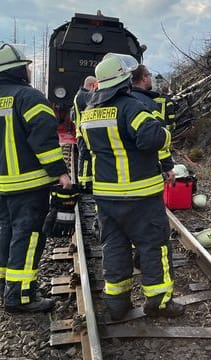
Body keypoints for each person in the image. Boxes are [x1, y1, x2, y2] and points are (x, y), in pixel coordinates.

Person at [80, 53, 184, 320]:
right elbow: (151, 138)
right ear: (124, 80)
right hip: (140, 195)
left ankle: (117, 303)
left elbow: (85, 151)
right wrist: (166, 134)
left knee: (114, 247)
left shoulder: (89, 113)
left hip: (106, 196)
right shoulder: (132, 107)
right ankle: (158, 303)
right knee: (153, 246)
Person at [0, 43, 72, 312]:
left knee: (7, 235)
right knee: (29, 237)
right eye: (28, 67)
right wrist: (60, 173)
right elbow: (44, 141)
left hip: (4, 183)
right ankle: (21, 297)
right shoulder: (29, 97)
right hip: (30, 184)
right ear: (20, 70)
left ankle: (6, 286)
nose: (30, 71)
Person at [130, 65, 174, 183]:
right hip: (145, 173)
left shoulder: (124, 102)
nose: (150, 78)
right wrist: (167, 166)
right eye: (149, 75)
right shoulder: (148, 104)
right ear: (144, 78)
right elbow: (157, 139)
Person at [71, 76, 98, 189]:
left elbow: (73, 116)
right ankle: (84, 184)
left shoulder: (79, 95)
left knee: (85, 157)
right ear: (92, 85)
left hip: (80, 133)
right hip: (84, 134)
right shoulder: (84, 96)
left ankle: (84, 182)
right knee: (85, 158)